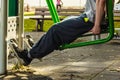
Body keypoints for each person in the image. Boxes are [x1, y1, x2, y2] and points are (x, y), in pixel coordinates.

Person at [12, 0, 108, 66]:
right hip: (88, 17)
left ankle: (29, 56)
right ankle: (40, 47)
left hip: (90, 20)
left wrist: (97, 25)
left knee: (56, 29)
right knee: (61, 24)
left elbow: (101, 1)